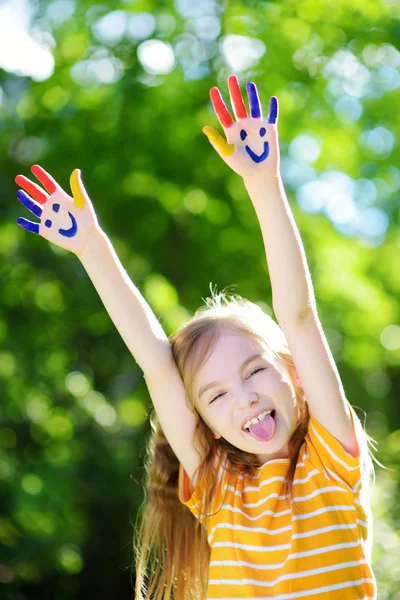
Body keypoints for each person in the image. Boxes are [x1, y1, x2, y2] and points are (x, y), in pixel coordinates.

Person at [14, 75, 378, 599]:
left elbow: (298, 317)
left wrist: (263, 183)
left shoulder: (332, 458)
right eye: (215, 395)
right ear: (201, 421)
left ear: (294, 371)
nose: (245, 396)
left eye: (254, 370)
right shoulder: (217, 487)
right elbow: (156, 364)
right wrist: (92, 247)